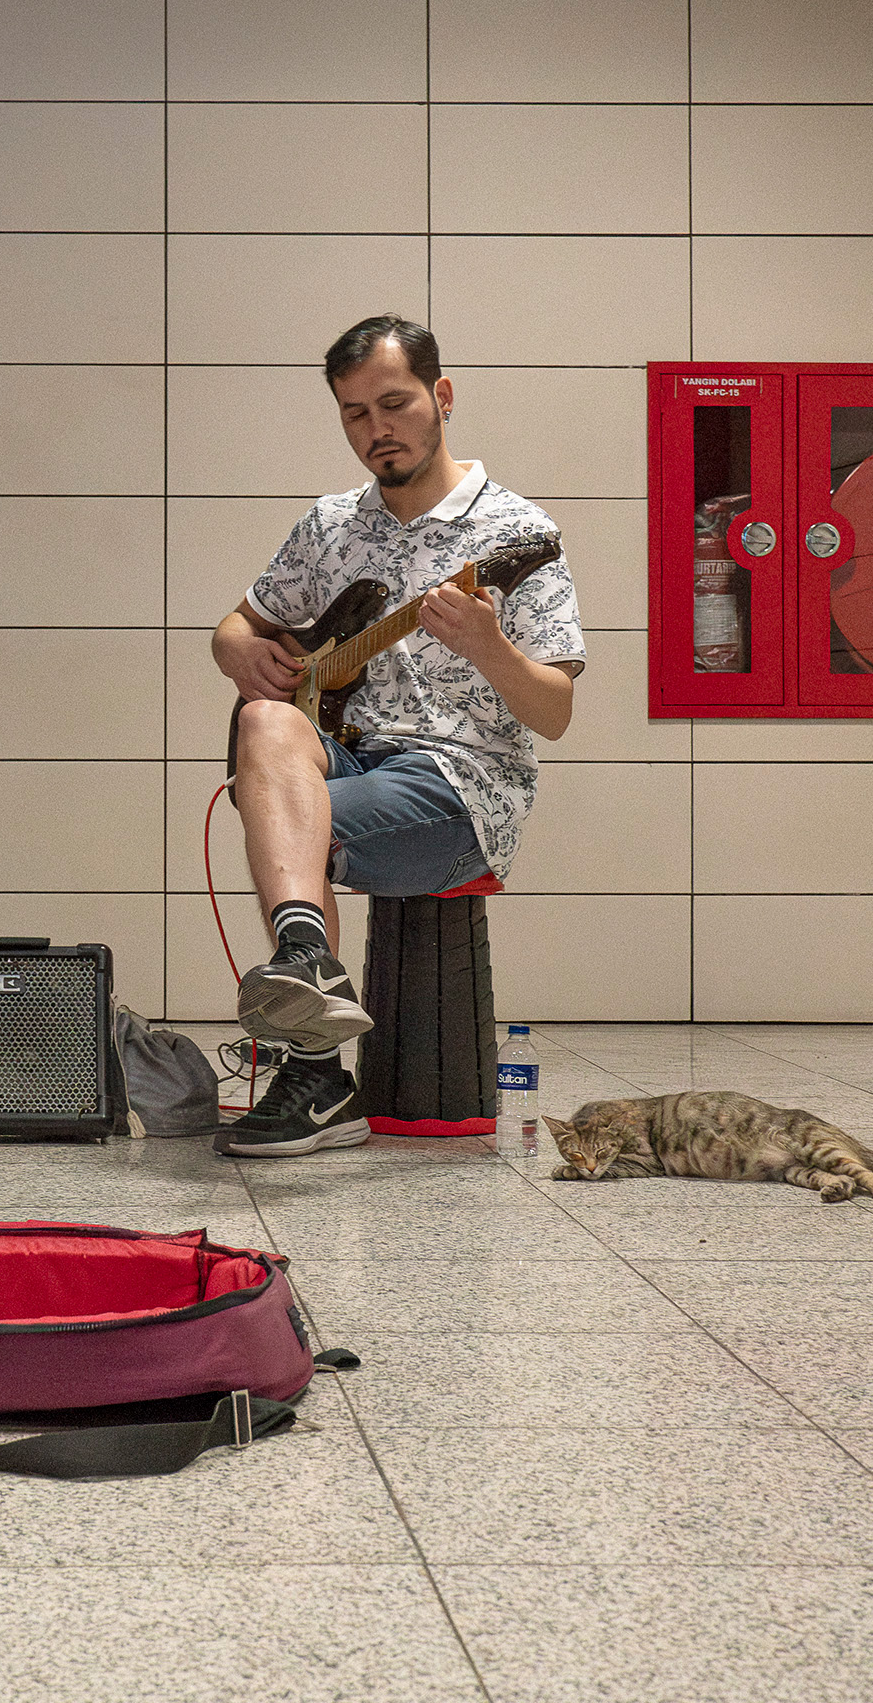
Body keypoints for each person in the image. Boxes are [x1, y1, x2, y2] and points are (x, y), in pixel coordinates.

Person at [210, 313, 585, 1158]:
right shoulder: (332, 524)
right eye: (354, 414)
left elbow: (555, 713)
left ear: (441, 396)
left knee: (285, 823)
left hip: (458, 788)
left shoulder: (516, 535)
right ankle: (307, 956)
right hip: (352, 759)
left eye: (395, 403)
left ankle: (314, 1075)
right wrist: (242, 652)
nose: (377, 430)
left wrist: (490, 646)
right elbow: (239, 625)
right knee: (267, 719)